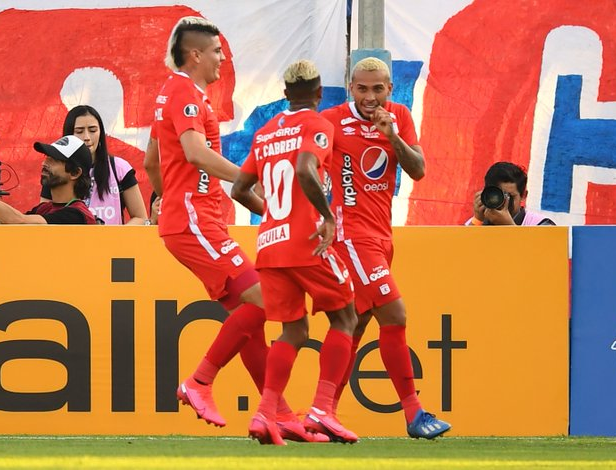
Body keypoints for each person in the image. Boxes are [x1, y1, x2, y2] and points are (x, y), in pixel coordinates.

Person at [146, 16, 319, 442]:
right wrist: (249, 178)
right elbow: (195, 153)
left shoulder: (174, 93)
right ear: (196, 55)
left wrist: (170, 199)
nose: (224, 58)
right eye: (218, 51)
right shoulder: (185, 91)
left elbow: (153, 161)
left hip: (192, 220)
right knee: (266, 301)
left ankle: (275, 414)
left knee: (253, 318)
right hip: (194, 222)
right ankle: (201, 381)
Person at [321, 57, 451, 439]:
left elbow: (419, 170)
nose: (370, 97)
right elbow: (306, 166)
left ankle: (323, 411)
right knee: (395, 314)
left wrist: (391, 135)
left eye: (378, 89)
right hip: (351, 236)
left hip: (381, 236)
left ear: (390, 89)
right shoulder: (330, 120)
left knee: (355, 327)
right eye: (362, 88)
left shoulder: (399, 116)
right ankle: (414, 414)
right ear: (350, 88)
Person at [232, 59, 358, 445]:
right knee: (346, 317)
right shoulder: (319, 125)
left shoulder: (267, 132)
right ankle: (322, 410)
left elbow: (238, 190)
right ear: (320, 93)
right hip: (307, 242)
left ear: (285, 94)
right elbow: (305, 169)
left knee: (294, 330)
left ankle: (266, 414)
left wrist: (272, 215)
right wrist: (326, 217)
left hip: (270, 245)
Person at [40, 105, 148, 225]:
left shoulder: (119, 167)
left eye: (93, 130)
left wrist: (115, 239)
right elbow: (43, 219)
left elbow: (140, 218)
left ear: (101, 133)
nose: (86, 137)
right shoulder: (56, 172)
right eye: (79, 131)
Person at [0, 135, 96, 224]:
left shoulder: (78, 215)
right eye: (46, 157)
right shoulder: (44, 209)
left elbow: (18, 221)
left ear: (75, 173)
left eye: (54, 159)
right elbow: (9, 226)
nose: (44, 163)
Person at [466, 161, 556, 226]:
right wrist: (477, 220)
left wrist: (509, 226)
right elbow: (461, 250)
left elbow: (543, 252)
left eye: (509, 196)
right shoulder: (476, 223)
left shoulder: (541, 225)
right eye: (498, 196)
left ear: (523, 196)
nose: (504, 202)